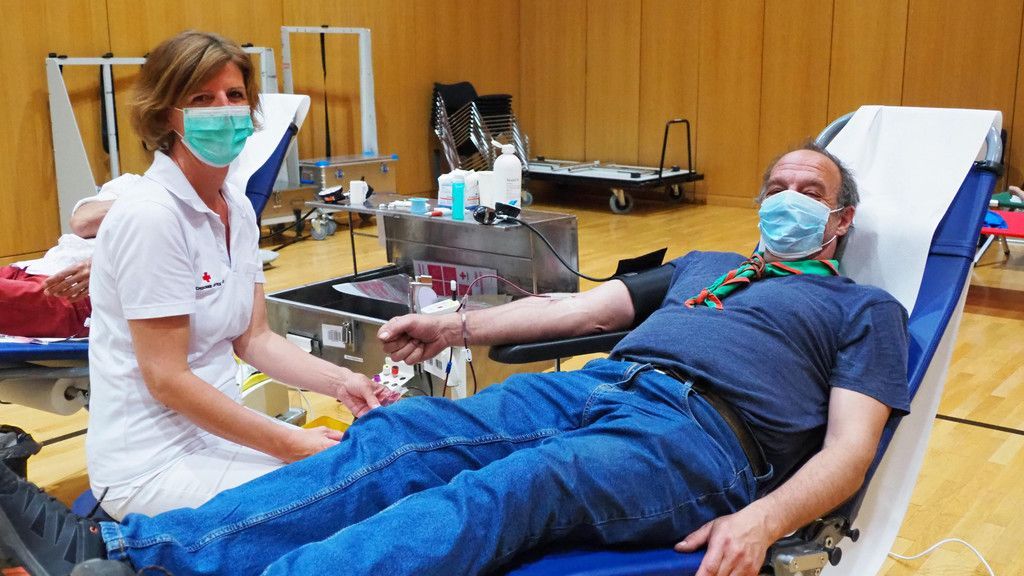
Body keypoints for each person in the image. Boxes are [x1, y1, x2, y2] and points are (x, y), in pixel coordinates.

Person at [0, 145, 909, 576]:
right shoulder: (706, 266)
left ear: (839, 222)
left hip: (700, 440)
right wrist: (452, 328)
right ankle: (131, 556)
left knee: (514, 487)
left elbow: (849, 451)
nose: (787, 199)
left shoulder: (864, 309)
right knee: (402, 438)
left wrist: (763, 519)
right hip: (603, 387)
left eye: (810, 191)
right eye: (775, 185)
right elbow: (572, 309)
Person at [79, 30, 383, 521]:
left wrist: (342, 381)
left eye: (234, 95)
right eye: (203, 98)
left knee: (367, 480)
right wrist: (290, 444)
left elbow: (254, 338)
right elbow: (167, 380)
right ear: (166, 115)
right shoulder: (151, 215)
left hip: (217, 435)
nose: (223, 109)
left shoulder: (236, 208)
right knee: (345, 502)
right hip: (150, 464)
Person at [0, 176, 133, 339]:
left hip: (77, 291)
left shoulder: (159, 206)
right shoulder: (134, 184)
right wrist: (143, 198)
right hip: (34, 268)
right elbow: (82, 223)